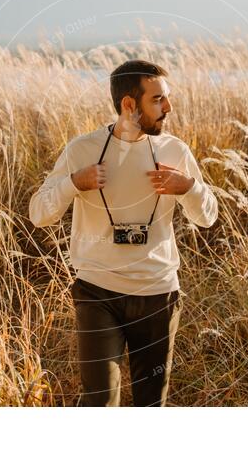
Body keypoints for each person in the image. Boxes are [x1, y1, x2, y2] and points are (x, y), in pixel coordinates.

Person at [28, 59, 218, 406]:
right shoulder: (82, 150)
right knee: (100, 403)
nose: (168, 107)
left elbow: (207, 218)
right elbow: (39, 213)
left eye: (167, 98)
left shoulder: (175, 151)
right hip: (98, 293)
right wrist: (74, 183)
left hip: (158, 294)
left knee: (150, 403)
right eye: (158, 99)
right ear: (129, 104)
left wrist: (187, 187)